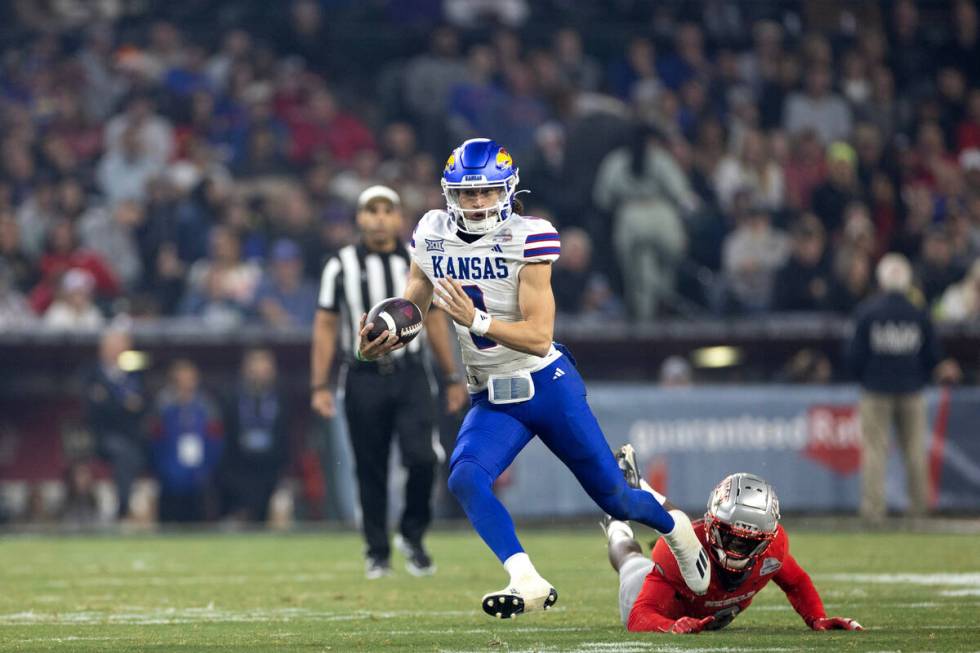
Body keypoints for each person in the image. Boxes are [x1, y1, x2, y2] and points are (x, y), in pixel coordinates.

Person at [357, 138, 710, 618]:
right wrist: (388, 334)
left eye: (485, 192)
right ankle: (526, 578)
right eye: (465, 193)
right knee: (465, 478)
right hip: (492, 396)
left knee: (616, 498)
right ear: (448, 195)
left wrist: (477, 322)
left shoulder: (529, 236)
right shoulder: (432, 232)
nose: (475, 203)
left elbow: (540, 336)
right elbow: (415, 300)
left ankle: (675, 527)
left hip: (546, 384)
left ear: (507, 191)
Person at [311, 185, 467, 579]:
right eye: (371, 210)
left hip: (412, 374)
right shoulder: (339, 265)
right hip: (362, 375)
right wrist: (319, 384)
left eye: (387, 211)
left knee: (422, 457)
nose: (379, 218)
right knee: (370, 466)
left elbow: (433, 320)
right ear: (359, 218)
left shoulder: (416, 262)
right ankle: (377, 551)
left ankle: (412, 536)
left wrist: (451, 376)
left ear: (399, 219)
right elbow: (326, 325)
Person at [602, 457, 863, 634]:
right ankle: (616, 518)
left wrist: (816, 618)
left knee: (683, 535)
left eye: (750, 543)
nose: (737, 550)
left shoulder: (773, 550)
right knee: (630, 558)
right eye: (729, 537)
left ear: (766, 540)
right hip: (665, 605)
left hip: (700, 593)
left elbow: (796, 582)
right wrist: (671, 625)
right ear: (712, 525)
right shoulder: (675, 555)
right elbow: (639, 615)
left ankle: (638, 484)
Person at [845, 253, 961, 523]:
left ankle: (874, 511)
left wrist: (866, 377)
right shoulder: (917, 312)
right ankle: (919, 509)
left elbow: (853, 356)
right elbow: (932, 354)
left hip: (875, 389)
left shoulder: (868, 312)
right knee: (915, 450)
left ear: (881, 281)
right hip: (911, 390)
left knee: (875, 451)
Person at [219, 349, 289, 523]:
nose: (260, 374)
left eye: (265, 369)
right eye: (255, 368)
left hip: (271, 471)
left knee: (279, 510)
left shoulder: (282, 399)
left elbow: (287, 439)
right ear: (245, 370)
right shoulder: (231, 398)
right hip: (238, 472)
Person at [85, 326, 146, 519]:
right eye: (113, 345)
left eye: (121, 345)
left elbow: (142, 405)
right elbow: (93, 409)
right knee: (124, 453)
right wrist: (123, 404)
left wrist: (109, 400)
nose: (117, 350)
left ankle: (133, 509)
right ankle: (123, 508)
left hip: (132, 436)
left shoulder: (134, 371)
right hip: (103, 436)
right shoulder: (91, 372)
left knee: (135, 452)